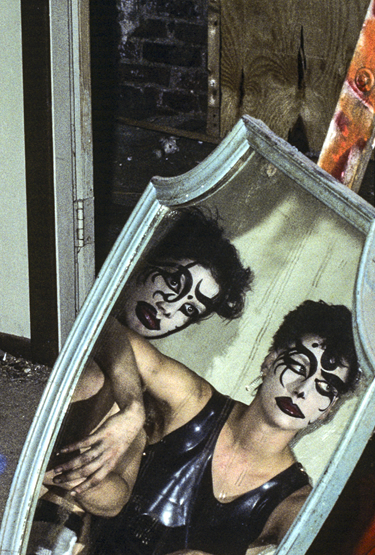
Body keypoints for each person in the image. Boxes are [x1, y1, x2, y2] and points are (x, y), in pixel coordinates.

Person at [40, 300, 358, 555]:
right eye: (298, 365)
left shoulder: (292, 498)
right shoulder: (193, 403)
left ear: (328, 411)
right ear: (269, 360)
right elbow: (104, 327)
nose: (303, 390)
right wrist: (133, 407)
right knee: (93, 379)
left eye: (325, 388)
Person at [48, 208, 252, 495]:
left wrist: (71, 472)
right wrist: (132, 409)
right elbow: (103, 327)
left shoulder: (141, 389)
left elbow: (118, 497)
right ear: (145, 257)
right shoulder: (75, 296)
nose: (170, 307)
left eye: (189, 309)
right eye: (173, 282)